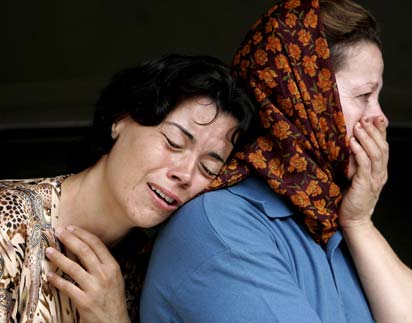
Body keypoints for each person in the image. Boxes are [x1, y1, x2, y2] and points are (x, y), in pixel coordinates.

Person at [140, 1, 412, 322]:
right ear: (306, 98)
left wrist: (359, 223)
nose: (380, 118)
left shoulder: (326, 221)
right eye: (364, 96)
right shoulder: (220, 228)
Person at [0, 54, 256, 322]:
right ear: (120, 120)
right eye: (174, 142)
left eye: (208, 169)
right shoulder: (7, 221)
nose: (185, 174)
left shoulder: (147, 269)